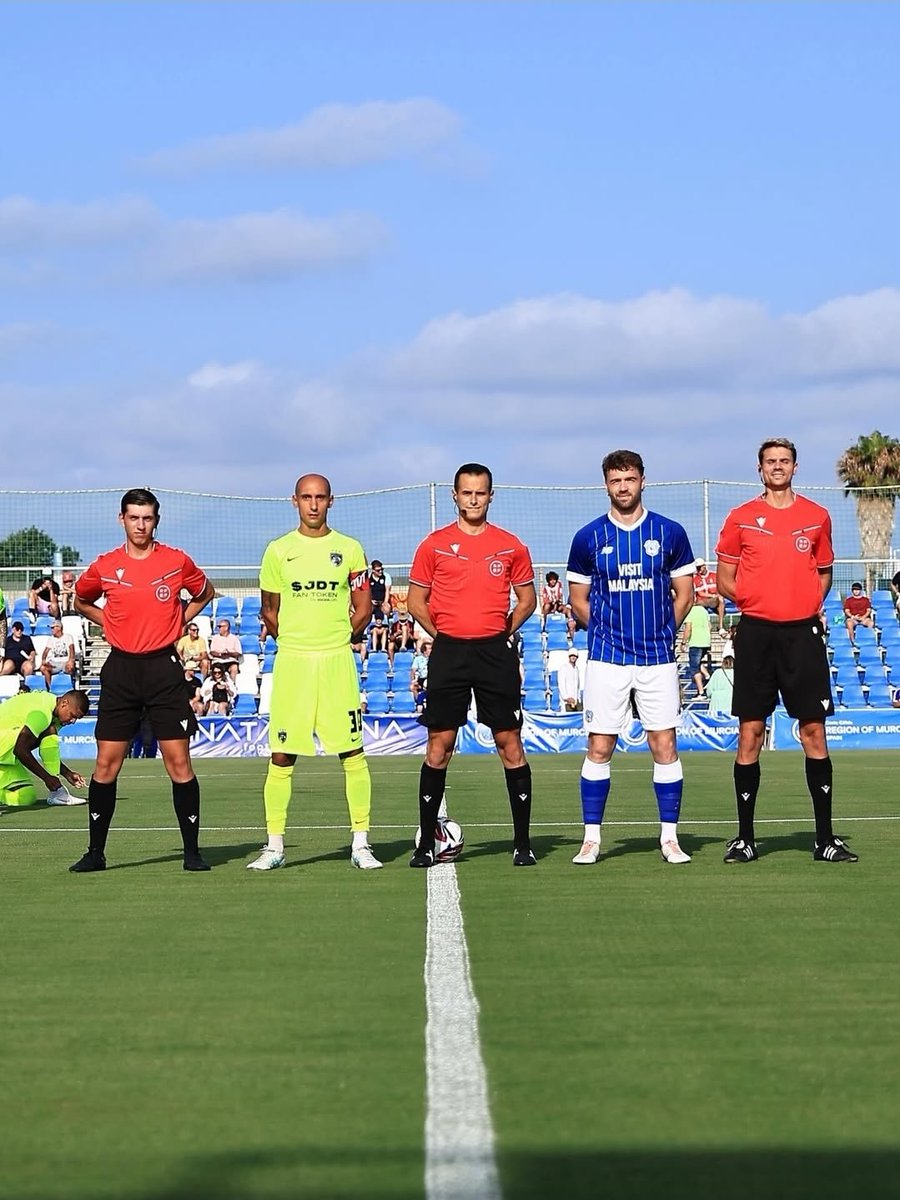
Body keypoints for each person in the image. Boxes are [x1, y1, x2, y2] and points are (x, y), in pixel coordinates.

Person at [715, 437, 857, 864]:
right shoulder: (741, 518)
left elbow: (825, 573)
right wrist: (760, 605)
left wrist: (803, 605)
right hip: (757, 635)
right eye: (770, 462)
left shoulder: (816, 517)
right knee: (750, 733)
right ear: (760, 469)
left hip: (803, 637)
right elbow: (725, 578)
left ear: (795, 467)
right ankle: (745, 838)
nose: (777, 467)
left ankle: (825, 840)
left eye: (784, 461)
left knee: (814, 732)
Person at [71, 487, 216, 873]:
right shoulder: (104, 566)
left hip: (163, 671)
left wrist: (179, 620)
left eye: (147, 517)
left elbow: (205, 592)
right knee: (106, 764)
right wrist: (109, 621)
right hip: (120, 671)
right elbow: (81, 601)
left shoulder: (176, 561)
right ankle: (95, 853)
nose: (140, 524)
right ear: (122, 520)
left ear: (156, 520)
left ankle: (192, 852)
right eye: (134, 517)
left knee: (178, 762)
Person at [566, 449, 696, 867]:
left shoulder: (670, 533)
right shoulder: (588, 538)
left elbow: (686, 594)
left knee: (664, 744)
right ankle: (591, 839)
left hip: (657, 659)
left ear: (643, 480)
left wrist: (661, 631)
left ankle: (670, 838)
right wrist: (606, 633)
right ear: (606, 484)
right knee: (600, 746)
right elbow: (578, 601)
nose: (623, 487)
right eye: (615, 480)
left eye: (630, 479)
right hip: (606, 659)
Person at [246, 473, 381, 872]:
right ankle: (274, 846)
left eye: (320, 497)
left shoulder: (350, 549)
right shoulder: (278, 551)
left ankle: (361, 843)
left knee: (353, 752)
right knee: (282, 755)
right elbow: (269, 608)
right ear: (295, 501)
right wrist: (293, 640)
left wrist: (338, 638)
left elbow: (363, 607)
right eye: (306, 497)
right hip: (293, 664)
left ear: (331, 501)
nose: (313, 504)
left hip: (337, 661)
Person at [406, 462, 538, 868]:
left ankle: (522, 844)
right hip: (450, 654)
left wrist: (502, 632)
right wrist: (443, 635)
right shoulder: (434, 544)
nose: (474, 499)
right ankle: (426, 843)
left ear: (490, 496)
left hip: (494, 654)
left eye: (481, 492)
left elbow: (528, 599)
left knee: (509, 745)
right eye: (467, 493)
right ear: (456, 496)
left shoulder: (510, 545)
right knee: (439, 747)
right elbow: (415, 602)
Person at [0, 688, 89, 807]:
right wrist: (47, 778)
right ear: (64, 703)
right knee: (49, 730)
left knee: (25, 797)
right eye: (72, 715)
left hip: (4, 755)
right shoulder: (42, 713)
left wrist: (67, 773)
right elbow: (20, 750)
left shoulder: (54, 717)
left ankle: (57, 792)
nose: (72, 721)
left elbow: (47, 752)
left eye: (76, 719)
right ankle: (57, 792)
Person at [680, 602, 712, 698]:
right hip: (705, 642)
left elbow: (688, 628)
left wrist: (683, 642)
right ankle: (707, 676)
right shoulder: (704, 611)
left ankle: (701, 692)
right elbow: (709, 626)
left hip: (696, 642)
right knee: (696, 663)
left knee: (694, 667)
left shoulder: (690, 611)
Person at [39, 619, 76, 689]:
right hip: (54, 663)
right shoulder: (51, 639)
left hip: (65, 662)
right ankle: (50, 687)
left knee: (70, 667)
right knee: (43, 668)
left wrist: (71, 660)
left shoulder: (68, 637)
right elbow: (46, 651)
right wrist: (43, 659)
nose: (51, 629)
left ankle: (70, 686)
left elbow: (71, 649)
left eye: (53, 628)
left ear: (59, 628)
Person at [541, 570, 575, 636]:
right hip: (550, 606)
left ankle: (571, 622)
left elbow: (560, 596)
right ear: (548, 581)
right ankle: (545, 623)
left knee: (567, 608)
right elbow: (545, 600)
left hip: (558, 605)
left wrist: (556, 601)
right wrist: (552, 602)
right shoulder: (545, 588)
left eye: (554, 579)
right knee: (546, 606)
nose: (553, 581)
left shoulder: (558, 585)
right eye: (551, 580)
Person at [693, 558, 725, 627]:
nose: (698, 570)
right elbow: (700, 593)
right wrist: (712, 595)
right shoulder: (695, 579)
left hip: (714, 599)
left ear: (704, 566)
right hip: (703, 600)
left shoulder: (714, 575)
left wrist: (717, 595)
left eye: (699, 568)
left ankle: (721, 626)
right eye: (697, 568)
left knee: (721, 600)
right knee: (697, 602)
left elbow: (721, 587)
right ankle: (707, 625)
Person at [208, 618, 242, 682]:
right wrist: (220, 654)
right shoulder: (215, 638)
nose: (219, 628)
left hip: (230, 660)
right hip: (218, 661)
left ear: (226, 628)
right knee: (216, 668)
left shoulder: (234, 638)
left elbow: (238, 653)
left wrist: (229, 653)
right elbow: (212, 652)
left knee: (234, 668)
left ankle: (232, 686)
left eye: (220, 627)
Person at [705, 652, 735, 718]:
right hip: (732, 701)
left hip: (717, 703)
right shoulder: (737, 673)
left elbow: (709, 691)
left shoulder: (717, 673)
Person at [410, 639, 432, 710]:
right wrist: (413, 680)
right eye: (429, 649)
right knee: (413, 686)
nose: (431, 650)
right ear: (424, 650)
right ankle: (419, 703)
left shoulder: (434, 659)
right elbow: (413, 671)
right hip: (421, 679)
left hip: (431, 679)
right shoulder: (418, 659)